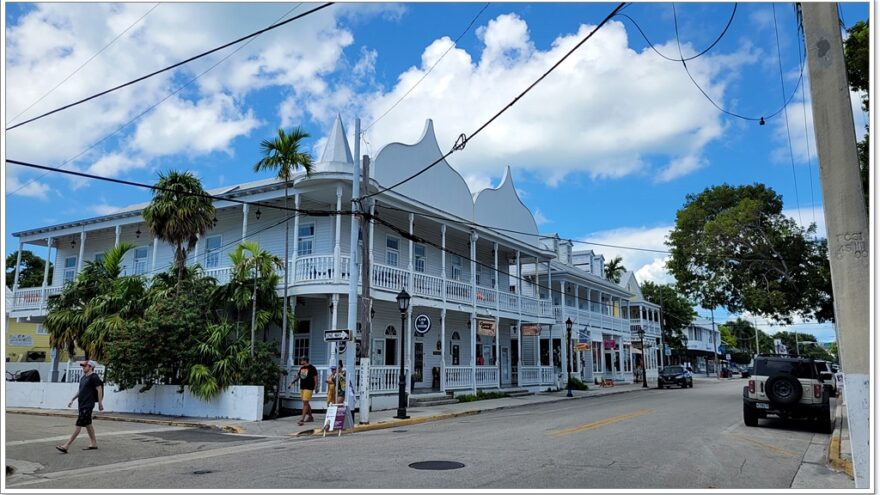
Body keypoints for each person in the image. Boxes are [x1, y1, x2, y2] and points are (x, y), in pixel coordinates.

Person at [56, 360, 104, 453]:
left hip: (88, 404)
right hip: (81, 404)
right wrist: (73, 399)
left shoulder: (94, 377)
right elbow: (80, 390)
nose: (83, 368)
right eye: (83, 366)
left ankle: (66, 446)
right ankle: (94, 443)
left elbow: (99, 389)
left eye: (85, 366)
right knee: (88, 424)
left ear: (90, 367)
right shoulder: (83, 378)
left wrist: (100, 403)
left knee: (78, 425)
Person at [288, 357, 318, 426]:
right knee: (306, 402)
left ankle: (302, 419)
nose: (300, 361)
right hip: (302, 388)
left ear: (305, 360)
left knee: (305, 403)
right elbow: (298, 377)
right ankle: (310, 417)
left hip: (309, 388)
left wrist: (316, 387)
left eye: (301, 360)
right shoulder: (302, 368)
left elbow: (315, 378)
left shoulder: (312, 368)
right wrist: (291, 383)